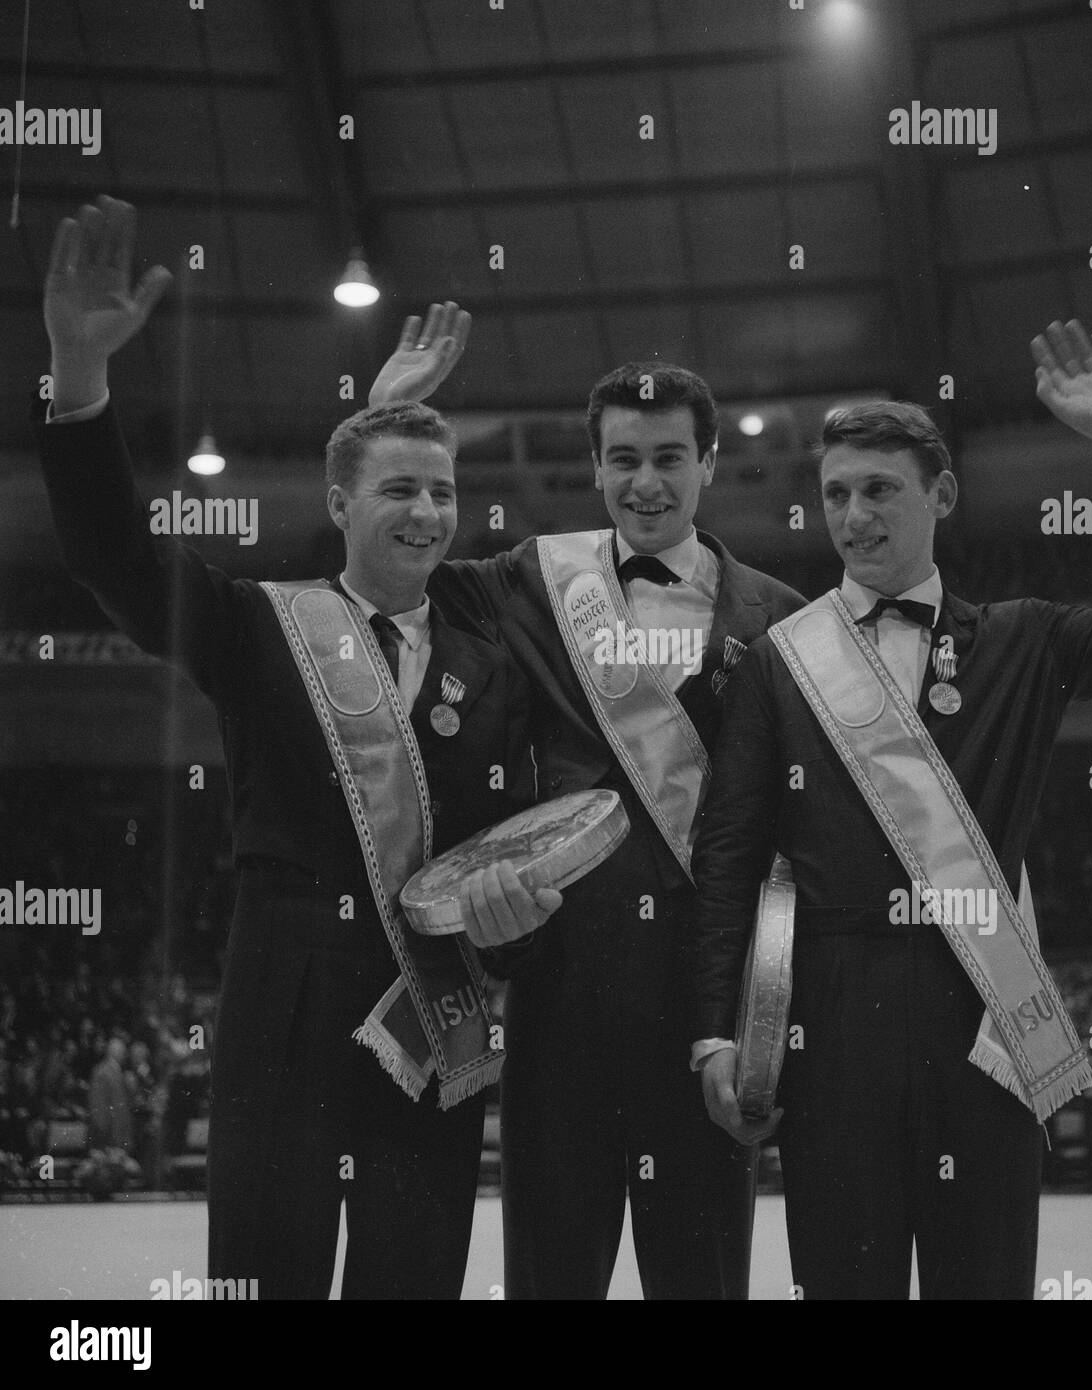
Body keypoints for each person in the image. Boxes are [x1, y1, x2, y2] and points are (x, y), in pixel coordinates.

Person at [33, 195, 554, 1299]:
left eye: (443, 490)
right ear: (337, 503)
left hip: (434, 1013)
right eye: (397, 489)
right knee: (263, 1283)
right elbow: (115, 557)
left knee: (412, 1282)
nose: (424, 511)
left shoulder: (494, 654)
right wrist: (78, 376)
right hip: (284, 1005)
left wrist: (517, 914)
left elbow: (498, 850)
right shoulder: (260, 626)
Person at [688, 321, 1092, 1299]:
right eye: (836, 494)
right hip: (831, 1028)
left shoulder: (1025, 642)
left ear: (940, 494)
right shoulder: (777, 664)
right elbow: (729, 852)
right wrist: (716, 1034)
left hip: (988, 1029)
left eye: (879, 489)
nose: (853, 514)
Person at [374, 325, 804, 1298]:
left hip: (707, 1015)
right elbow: (399, 573)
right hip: (558, 1004)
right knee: (549, 1280)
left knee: (702, 1283)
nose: (644, 483)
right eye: (622, 460)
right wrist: (386, 416)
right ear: (596, 465)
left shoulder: (780, 618)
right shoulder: (530, 581)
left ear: (708, 462)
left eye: (666, 459)